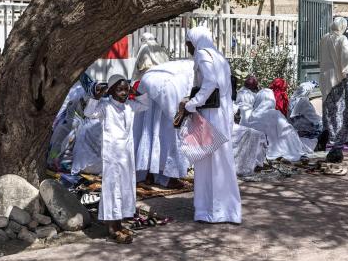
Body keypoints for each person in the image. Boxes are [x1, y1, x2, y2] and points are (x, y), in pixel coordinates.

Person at [178, 25, 241, 224]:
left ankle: (211, 210)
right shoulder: (218, 56)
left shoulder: (203, 55)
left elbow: (210, 82)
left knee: (208, 162)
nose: (188, 47)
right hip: (220, 114)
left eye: (188, 43)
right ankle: (225, 210)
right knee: (220, 162)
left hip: (210, 115)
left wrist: (192, 103)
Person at [84, 74, 149, 243]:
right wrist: (97, 97)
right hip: (112, 155)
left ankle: (119, 224)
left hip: (127, 155)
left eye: (126, 89)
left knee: (125, 188)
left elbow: (146, 104)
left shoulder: (130, 106)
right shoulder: (105, 107)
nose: (123, 93)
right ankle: (112, 228)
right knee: (113, 189)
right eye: (119, 89)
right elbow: (88, 112)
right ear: (111, 91)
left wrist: (135, 90)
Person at [134, 60, 193, 188]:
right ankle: (167, 177)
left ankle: (148, 173)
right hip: (167, 88)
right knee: (170, 134)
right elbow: (189, 98)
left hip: (148, 81)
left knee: (149, 130)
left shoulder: (184, 66)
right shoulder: (195, 71)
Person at [319, 17, 348, 161]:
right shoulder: (342, 39)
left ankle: (326, 135)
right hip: (338, 79)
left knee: (329, 109)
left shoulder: (324, 38)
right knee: (340, 110)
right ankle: (337, 143)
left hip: (325, 78)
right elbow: (346, 58)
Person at [247, 89, 313, 162]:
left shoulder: (252, 115)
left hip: (257, 149)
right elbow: (288, 131)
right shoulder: (275, 114)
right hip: (275, 147)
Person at [289, 81, 324, 151]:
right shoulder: (304, 102)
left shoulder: (291, 100)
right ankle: (320, 146)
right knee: (325, 126)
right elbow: (313, 118)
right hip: (307, 130)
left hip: (295, 129)